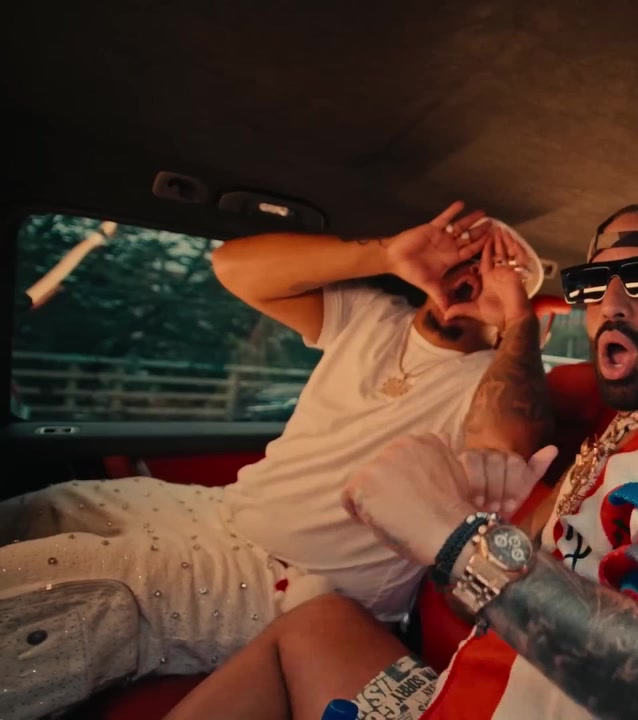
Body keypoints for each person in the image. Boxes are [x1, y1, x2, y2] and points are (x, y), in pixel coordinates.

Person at [164, 202, 638, 720]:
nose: (610, 304)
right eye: (592, 284)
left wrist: (456, 536)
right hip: (470, 693)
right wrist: (490, 528)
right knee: (318, 624)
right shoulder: (623, 433)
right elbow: (490, 604)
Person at [0, 202, 554, 720]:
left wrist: (517, 321)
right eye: (467, 256)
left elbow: (502, 445)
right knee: (48, 508)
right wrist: (386, 254)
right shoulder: (373, 317)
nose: (474, 274)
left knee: (64, 578)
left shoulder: (495, 378)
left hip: (292, 585)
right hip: (220, 513)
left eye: (500, 272)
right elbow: (233, 267)